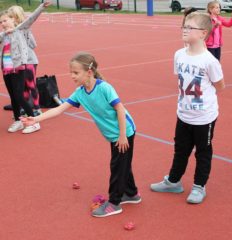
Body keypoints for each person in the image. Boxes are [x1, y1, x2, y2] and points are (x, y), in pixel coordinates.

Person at [21, 52, 141, 217]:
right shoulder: (80, 93)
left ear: (89, 72)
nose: (72, 76)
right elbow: (59, 109)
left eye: (76, 73)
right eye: (71, 72)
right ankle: (132, 193)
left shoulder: (104, 88)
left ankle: (114, 203)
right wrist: (36, 119)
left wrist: (122, 136)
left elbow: (120, 109)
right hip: (114, 134)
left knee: (117, 166)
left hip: (124, 131)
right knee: (122, 163)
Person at [150, 12, 225, 204]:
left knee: (203, 151)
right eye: (183, 26)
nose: (184, 29)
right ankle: (174, 181)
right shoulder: (179, 55)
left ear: (203, 33)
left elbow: (220, 86)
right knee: (180, 149)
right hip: (183, 114)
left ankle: (199, 186)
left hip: (204, 117)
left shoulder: (209, 61)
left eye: (189, 27)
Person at [0, 2, 50, 133]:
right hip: (6, 70)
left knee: (19, 96)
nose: (2, 24)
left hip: (18, 69)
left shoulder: (20, 30)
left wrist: (41, 7)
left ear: (13, 19)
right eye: (1, 22)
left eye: (4, 20)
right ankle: (18, 120)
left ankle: (34, 121)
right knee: (13, 96)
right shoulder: (3, 36)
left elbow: (31, 18)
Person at [6, 5, 42, 116]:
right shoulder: (9, 31)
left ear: (16, 18)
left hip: (29, 60)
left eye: (11, 17)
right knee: (23, 87)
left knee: (31, 85)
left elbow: (33, 44)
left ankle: (37, 108)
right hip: (20, 62)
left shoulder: (24, 29)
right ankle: (25, 108)